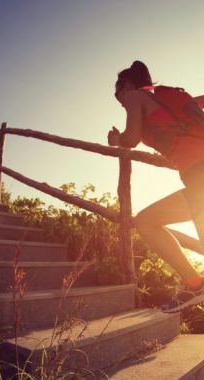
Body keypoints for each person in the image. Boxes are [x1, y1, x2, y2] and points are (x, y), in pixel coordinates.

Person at [108, 60, 204, 313]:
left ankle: (194, 284)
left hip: (199, 175)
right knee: (148, 220)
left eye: (118, 94)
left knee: (147, 222)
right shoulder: (174, 95)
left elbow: (131, 138)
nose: (120, 101)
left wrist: (115, 140)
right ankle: (194, 284)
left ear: (127, 85)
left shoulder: (135, 97)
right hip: (197, 178)